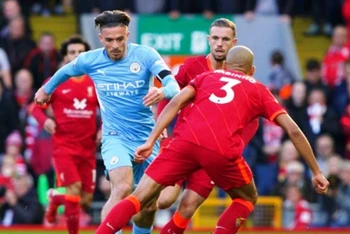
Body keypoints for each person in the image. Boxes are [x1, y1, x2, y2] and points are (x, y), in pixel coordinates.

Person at [95, 45, 330, 234]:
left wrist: (151, 139)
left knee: (140, 197)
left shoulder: (207, 76)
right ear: (252, 70)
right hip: (219, 150)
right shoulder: (259, 89)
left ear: (226, 64)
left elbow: (175, 101)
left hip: (184, 142)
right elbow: (294, 131)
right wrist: (317, 171)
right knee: (247, 198)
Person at [34, 10, 180, 234]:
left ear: (127, 35)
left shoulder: (146, 55)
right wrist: (46, 90)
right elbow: (65, 71)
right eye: (109, 40)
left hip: (147, 138)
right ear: (101, 38)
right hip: (115, 137)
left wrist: (162, 92)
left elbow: (173, 86)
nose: (115, 45)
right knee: (121, 188)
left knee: (149, 203)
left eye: (120, 39)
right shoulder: (90, 59)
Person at [156, 18, 259, 233]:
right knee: (164, 201)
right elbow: (170, 96)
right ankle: (133, 207)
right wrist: (162, 127)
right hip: (184, 144)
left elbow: (253, 119)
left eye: (225, 39)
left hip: (213, 154)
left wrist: (234, 148)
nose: (220, 43)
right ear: (208, 40)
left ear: (234, 42)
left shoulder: (242, 75)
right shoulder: (192, 66)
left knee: (187, 207)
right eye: (216, 38)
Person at [29, 35, 98, 234]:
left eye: (81, 52)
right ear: (66, 57)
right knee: (74, 189)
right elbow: (34, 108)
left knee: (84, 201)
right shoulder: (56, 81)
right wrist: (46, 121)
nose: (77, 55)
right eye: (73, 52)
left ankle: (55, 200)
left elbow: (109, 110)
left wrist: (103, 128)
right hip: (64, 147)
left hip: (87, 149)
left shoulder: (95, 82)